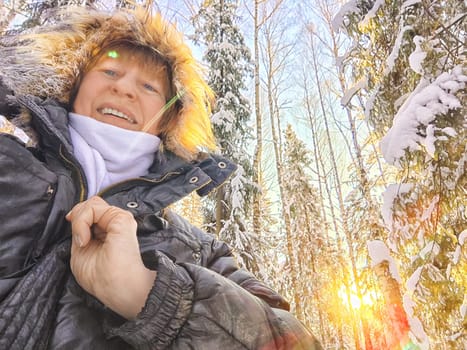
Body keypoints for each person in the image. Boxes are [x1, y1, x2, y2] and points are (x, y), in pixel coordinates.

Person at [0, 6, 322, 350]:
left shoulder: (200, 251)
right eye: (109, 70)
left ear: (169, 119)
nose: (124, 89)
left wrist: (153, 297)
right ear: (72, 84)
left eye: (149, 86)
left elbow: (293, 342)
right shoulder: (8, 170)